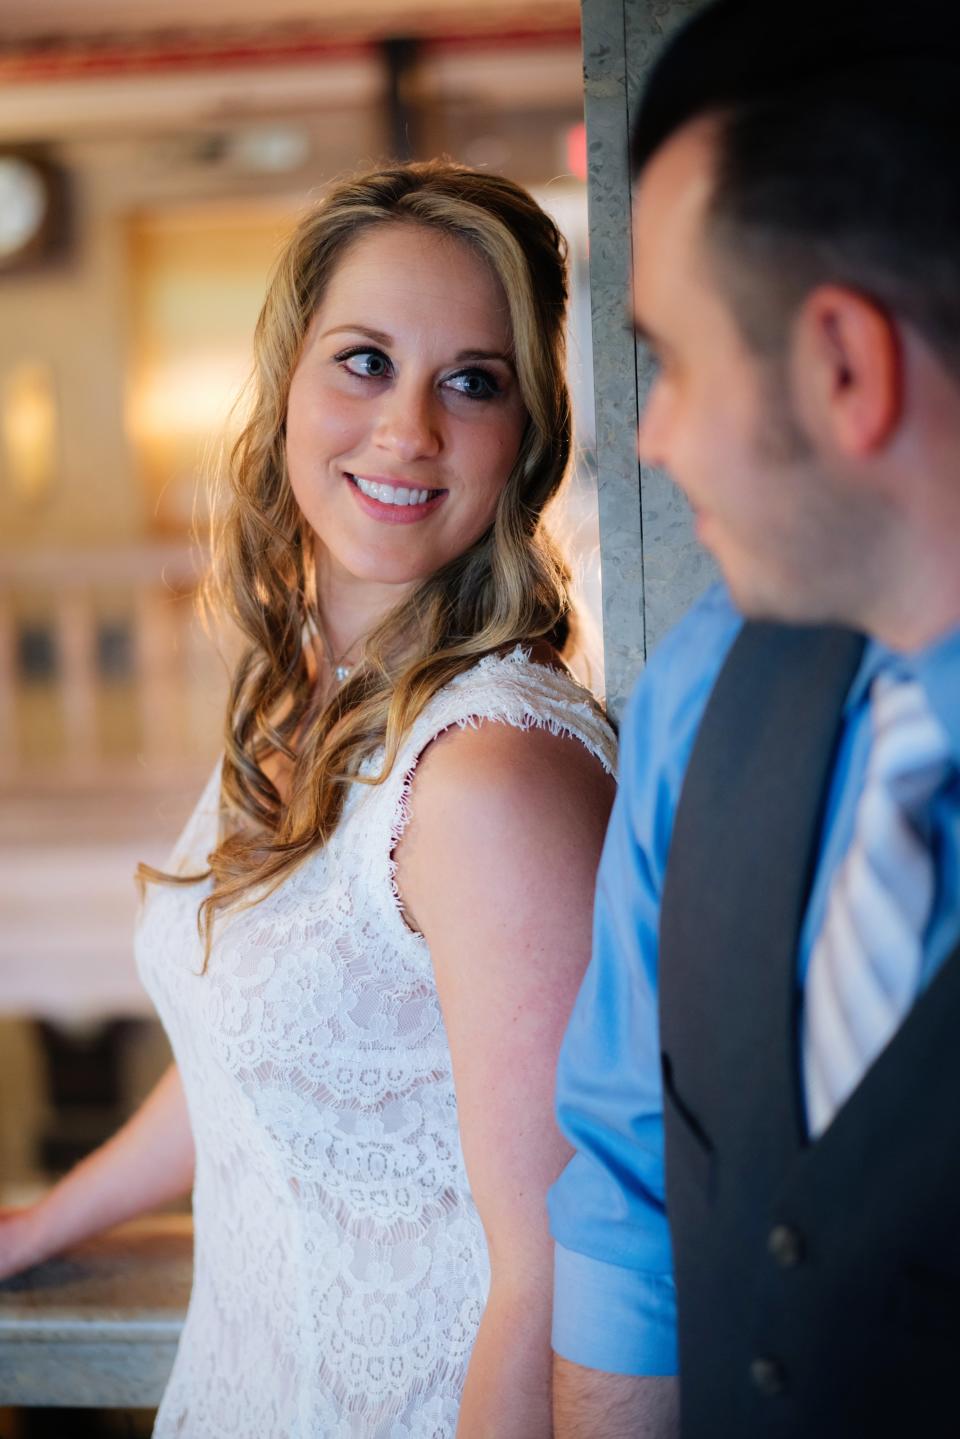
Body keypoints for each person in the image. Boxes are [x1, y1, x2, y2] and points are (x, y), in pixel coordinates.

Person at [0, 161, 617, 1438]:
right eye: (364, 360)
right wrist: (43, 1220)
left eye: (473, 380)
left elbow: (558, 1272)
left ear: (529, 433)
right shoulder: (303, 704)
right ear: (285, 380)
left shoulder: (485, 776)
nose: (408, 429)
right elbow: (262, 1036)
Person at [549, 2, 960, 1436]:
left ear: (844, 365)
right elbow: (629, 1198)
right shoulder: (698, 695)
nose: (649, 436)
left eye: (670, 360)